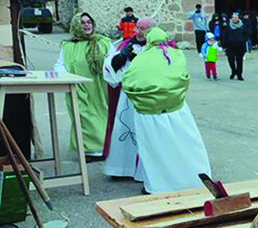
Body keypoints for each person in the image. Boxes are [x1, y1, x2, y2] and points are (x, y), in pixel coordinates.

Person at [121, 27, 212, 194]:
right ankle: (193, 180)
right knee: (184, 146)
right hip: (177, 111)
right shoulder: (176, 54)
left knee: (155, 151)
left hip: (149, 115)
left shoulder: (141, 58)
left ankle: (157, 184)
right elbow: (183, 76)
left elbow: (127, 81)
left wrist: (146, 98)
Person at [53, 13, 111, 160]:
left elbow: (113, 60)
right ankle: (90, 150)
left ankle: (104, 147)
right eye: (82, 22)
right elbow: (60, 64)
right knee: (84, 116)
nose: (86, 25)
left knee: (103, 115)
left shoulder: (104, 42)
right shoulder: (68, 46)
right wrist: (64, 76)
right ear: (76, 25)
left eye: (89, 22)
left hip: (101, 87)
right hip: (79, 88)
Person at [102, 17, 155, 179]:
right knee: (125, 128)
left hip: (149, 96)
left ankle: (146, 170)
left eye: (143, 29)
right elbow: (110, 68)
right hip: (128, 97)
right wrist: (119, 59)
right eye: (137, 28)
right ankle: (121, 168)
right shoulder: (127, 45)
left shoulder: (159, 48)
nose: (139, 32)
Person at [222, 12, 249, 80]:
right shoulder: (228, 27)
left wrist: (243, 40)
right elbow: (224, 36)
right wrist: (224, 45)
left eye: (236, 17)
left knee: (239, 60)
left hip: (240, 46)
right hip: (230, 46)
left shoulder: (243, 26)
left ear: (238, 18)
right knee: (231, 59)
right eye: (233, 17)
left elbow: (247, 34)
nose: (234, 19)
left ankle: (239, 74)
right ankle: (233, 71)